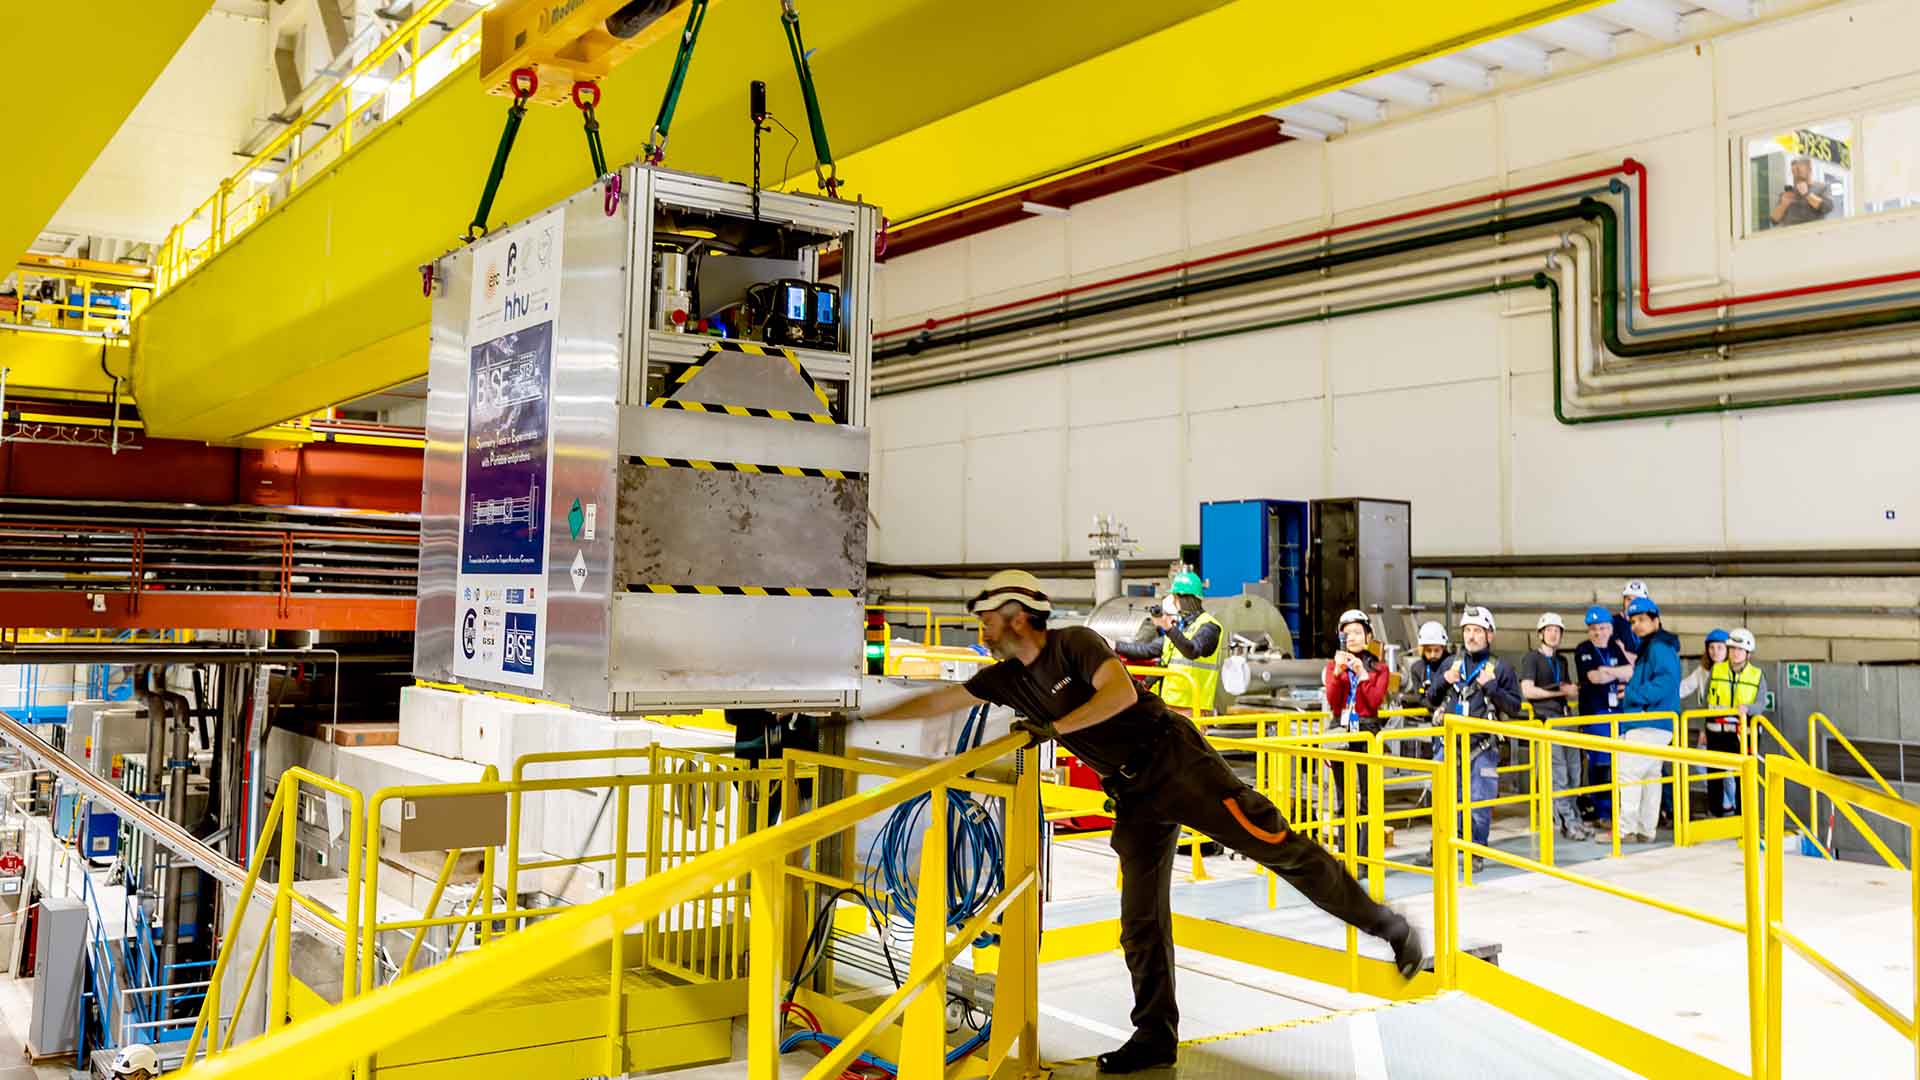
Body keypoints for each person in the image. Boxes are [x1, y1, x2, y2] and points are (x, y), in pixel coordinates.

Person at [867, 570, 1422, 1073]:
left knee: (1279, 845)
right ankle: (1155, 1034)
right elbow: (941, 701)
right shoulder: (1007, 678)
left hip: (1178, 764)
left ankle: (1386, 926)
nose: (982, 629)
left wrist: (1057, 729)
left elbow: (1120, 691)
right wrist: (862, 711)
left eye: (987, 619)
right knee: (1140, 920)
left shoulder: (1074, 645)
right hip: (1133, 793)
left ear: (1016, 616)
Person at [1427, 606, 1523, 863]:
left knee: (1479, 803)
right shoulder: (1451, 663)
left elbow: (1515, 707)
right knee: (1444, 799)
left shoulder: (1500, 668)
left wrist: (1492, 688)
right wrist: (1443, 681)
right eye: (1468, 630)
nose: (1471, 636)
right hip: (1449, 743)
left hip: (1482, 746)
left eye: (1478, 631)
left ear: (1489, 635)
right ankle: (1439, 849)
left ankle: (1474, 853)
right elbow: (1431, 699)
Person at [1323, 609, 1392, 854]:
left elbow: (1373, 701)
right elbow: (1333, 701)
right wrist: (1338, 673)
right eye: (1346, 633)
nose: (1351, 637)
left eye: (1357, 632)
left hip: (1367, 732)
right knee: (1343, 799)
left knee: (1367, 798)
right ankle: (1346, 853)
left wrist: (1363, 675)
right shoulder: (1334, 665)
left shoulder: (1379, 668)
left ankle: (1364, 858)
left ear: (1368, 635)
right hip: (1342, 732)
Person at [1616, 597, 1681, 843]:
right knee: (1650, 778)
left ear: (1656, 620)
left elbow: (1665, 682)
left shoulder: (1658, 647)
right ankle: (1646, 830)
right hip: (1659, 723)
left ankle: (1626, 831)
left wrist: (1632, 694)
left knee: (1630, 774)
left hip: (1647, 721)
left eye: (1642, 620)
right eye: (1633, 621)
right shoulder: (1657, 645)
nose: (1637, 626)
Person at [1112, 571, 1221, 717]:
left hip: (1192, 707)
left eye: (1174, 597)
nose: (1172, 601)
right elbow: (1148, 650)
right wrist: (1113, 646)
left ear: (1183, 598)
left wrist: (1168, 628)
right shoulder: (1182, 629)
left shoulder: (1209, 627)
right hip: (1167, 704)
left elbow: (1192, 651)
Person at [1519, 613, 1589, 841]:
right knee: (1558, 775)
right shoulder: (1532, 658)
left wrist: (1571, 691)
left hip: (1565, 719)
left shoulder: (1561, 661)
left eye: (1557, 630)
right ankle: (1567, 822)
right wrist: (1561, 692)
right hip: (1547, 722)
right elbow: (1528, 691)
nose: (1553, 634)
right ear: (1540, 633)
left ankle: (1575, 817)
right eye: (1549, 630)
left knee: (1574, 773)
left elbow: (1567, 688)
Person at [1573, 606, 1633, 825]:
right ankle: (1603, 811)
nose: (1599, 632)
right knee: (1600, 763)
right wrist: (1613, 674)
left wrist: (1608, 671)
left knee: (1618, 762)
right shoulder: (1583, 649)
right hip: (1595, 714)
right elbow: (1594, 678)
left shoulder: (1615, 649)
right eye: (1594, 629)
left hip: (1618, 713)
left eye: (1603, 628)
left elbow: (1631, 671)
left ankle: (1616, 808)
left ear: (1610, 629)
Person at [1703, 628, 1768, 817]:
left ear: (1748, 653)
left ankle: (1744, 818)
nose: (1735, 653)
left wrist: (1748, 708)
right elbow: (1707, 700)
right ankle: (1715, 815)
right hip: (1716, 732)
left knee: (1743, 777)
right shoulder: (1717, 670)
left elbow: (1761, 703)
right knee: (1714, 776)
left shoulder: (1757, 675)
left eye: (1739, 650)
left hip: (1744, 734)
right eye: (1732, 649)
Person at [1770, 156, 1835, 228]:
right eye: (1793, 171)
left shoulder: (1822, 187)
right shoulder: (1788, 193)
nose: (1796, 175)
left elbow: (1827, 208)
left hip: (1813, 234)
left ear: (1809, 169)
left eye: (1799, 170)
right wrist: (1783, 205)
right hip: (1791, 235)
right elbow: (1774, 220)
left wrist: (1807, 194)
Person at [1681, 629, 1731, 706]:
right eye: (1711, 647)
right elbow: (1685, 687)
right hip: (1708, 714)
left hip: (1728, 715)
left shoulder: (1734, 671)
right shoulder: (1702, 670)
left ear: (1728, 650)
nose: (1715, 652)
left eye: (1719, 647)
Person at [1613, 580, 1649, 659]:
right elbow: (1619, 654)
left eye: (1637, 600)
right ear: (1623, 601)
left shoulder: (1650, 622)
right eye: (1628, 599)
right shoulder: (1613, 623)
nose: (1632, 604)